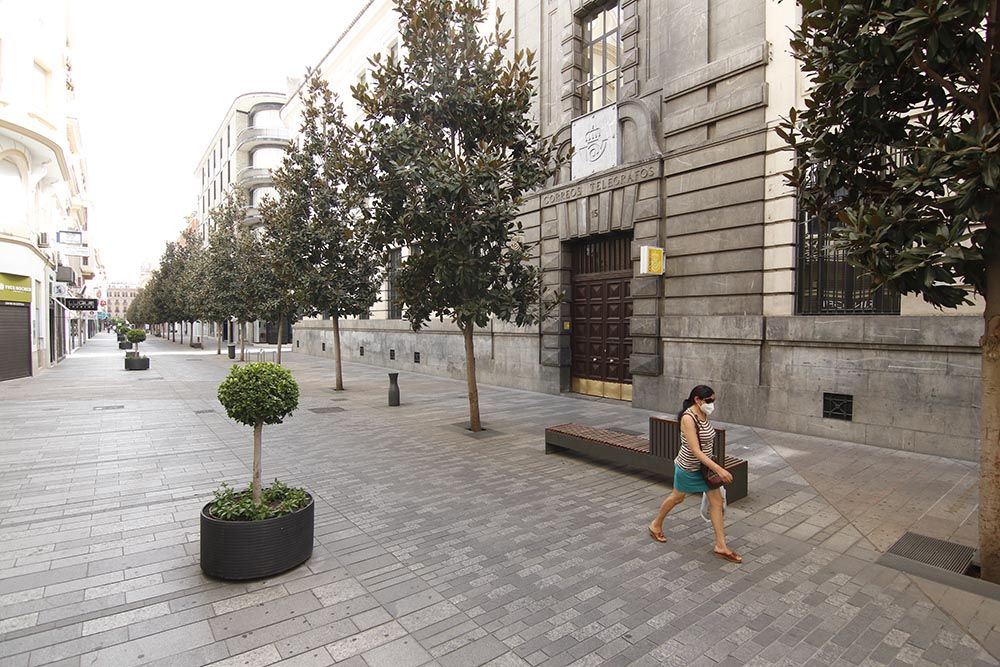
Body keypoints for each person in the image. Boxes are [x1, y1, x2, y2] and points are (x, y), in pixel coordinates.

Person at [648, 385, 742, 563]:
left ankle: (721, 545)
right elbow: (695, 450)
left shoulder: (703, 413)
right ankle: (655, 524)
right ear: (697, 400)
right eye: (709, 401)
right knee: (677, 497)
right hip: (689, 468)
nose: (712, 404)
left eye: (714, 400)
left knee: (716, 502)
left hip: (704, 470)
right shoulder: (688, 418)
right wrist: (719, 469)